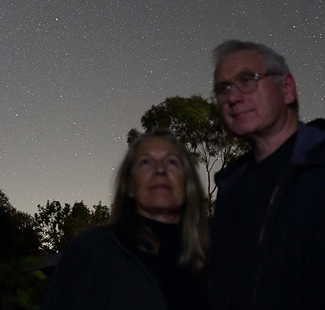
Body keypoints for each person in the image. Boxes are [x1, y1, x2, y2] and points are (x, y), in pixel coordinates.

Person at [210, 39, 325, 310]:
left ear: (287, 89)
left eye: (247, 79)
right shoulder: (231, 189)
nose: (232, 97)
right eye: (223, 88)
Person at [41, 129, 209, 309]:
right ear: (129, 185)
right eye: (145, 162)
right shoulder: (91, 252)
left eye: (172, 162)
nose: (160, 170)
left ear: (187, 182)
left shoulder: (215, 256)